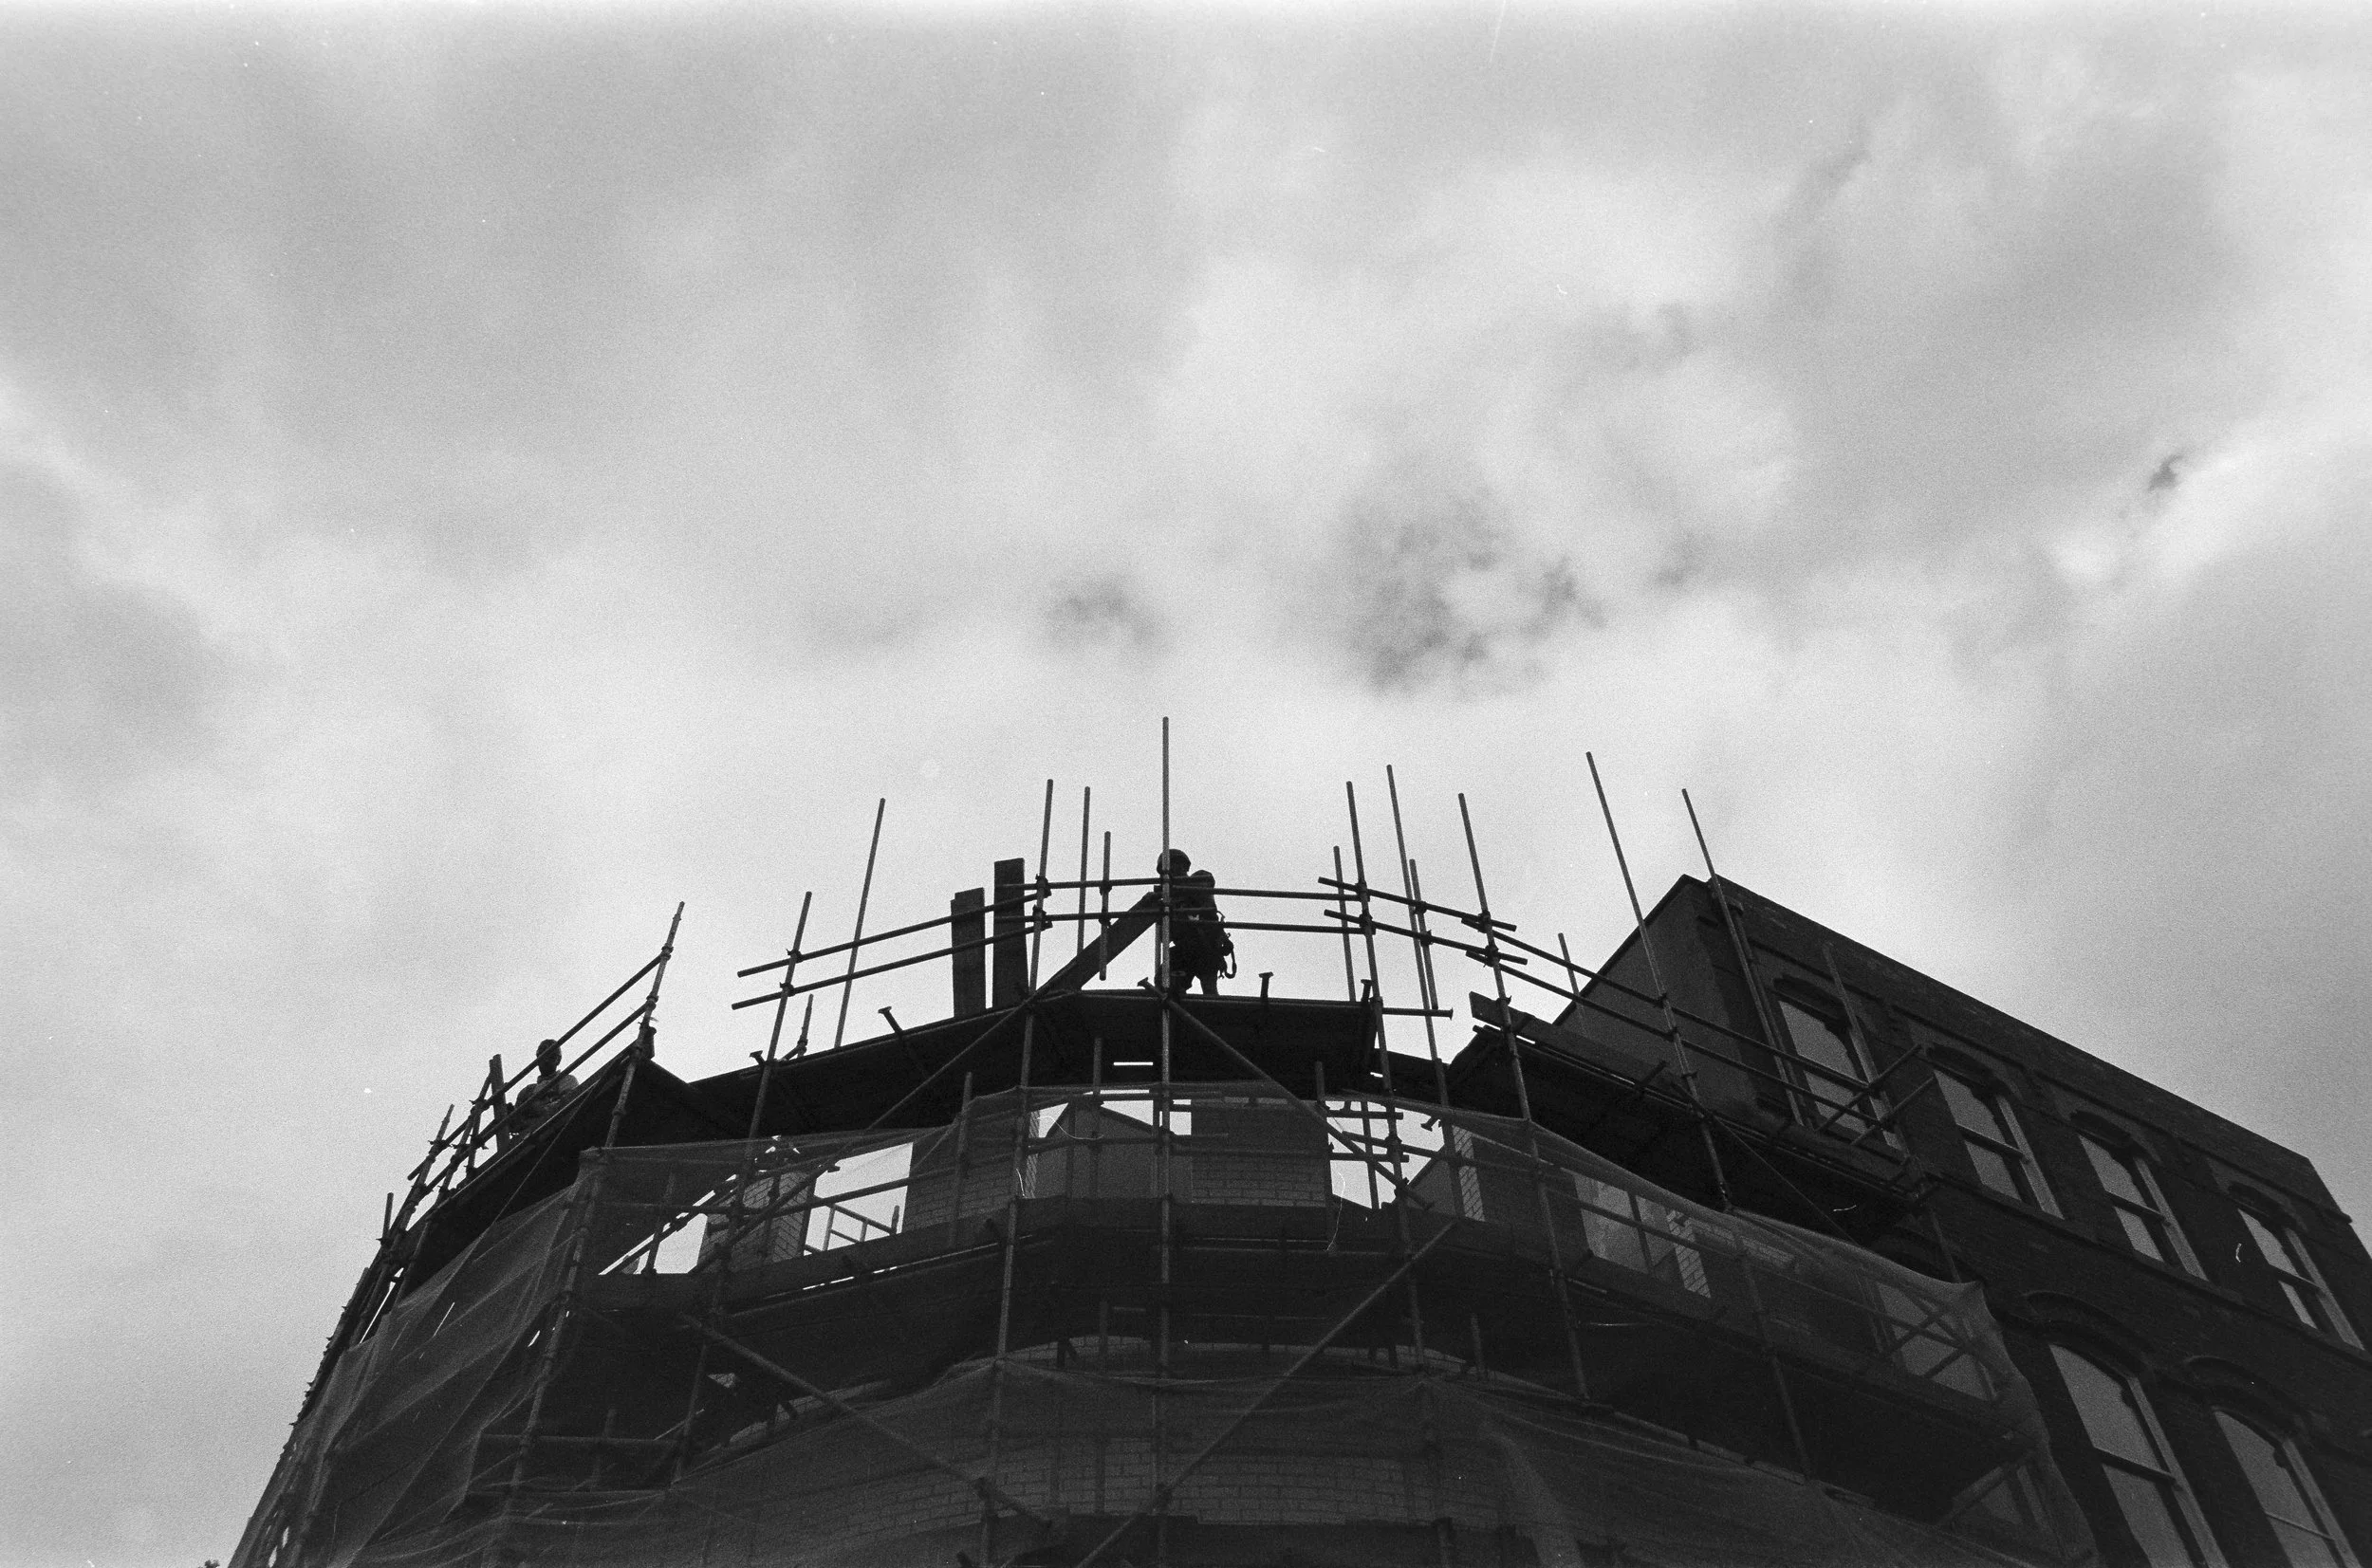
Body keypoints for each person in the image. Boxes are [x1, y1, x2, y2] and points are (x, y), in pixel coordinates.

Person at [1158, 850, 1231, 998]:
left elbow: (1206, 887)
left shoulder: (1198, 881)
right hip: (1185, 949)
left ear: (1183, 867)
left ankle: (1213, 1015)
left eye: (1173, 867)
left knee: (1209, 991)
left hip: (1205, 946)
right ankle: (1180, 1011)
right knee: (1165, 982)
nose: (1170, 873)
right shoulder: (1168, 900)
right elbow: (1163, 937)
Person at [510, 1038, 581, 1134]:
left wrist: (538, 1109)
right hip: (531, 1139)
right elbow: (517, 1123)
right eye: (542, 1056)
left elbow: (567, 1105)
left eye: (552, 1056)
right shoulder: (527, 1091)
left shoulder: (566, 1080)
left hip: (560, 1130)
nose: (546, 1060)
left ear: (558, 1060)